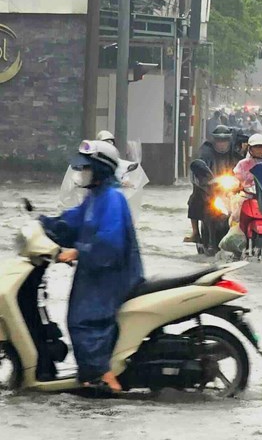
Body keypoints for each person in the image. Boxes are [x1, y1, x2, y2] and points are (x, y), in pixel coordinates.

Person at [40, 140, 144, 392]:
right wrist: (43, 225)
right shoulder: (95, 198)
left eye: (87, 168)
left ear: (100, 170)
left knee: (85, 321)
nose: (82, 172)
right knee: (77, 316)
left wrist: (77, 251)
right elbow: (72, 221)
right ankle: (92, 373)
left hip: (112, 276)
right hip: (95, 274)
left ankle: (106, 377)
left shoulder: (113, 199)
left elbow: (110, 242)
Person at [185, 125, 238, 243]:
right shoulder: (205, 152)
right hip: (209, 188)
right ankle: (195, 232)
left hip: (231, 190)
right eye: (219, 141)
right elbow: (196, 169)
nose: (222, 144)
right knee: (195, 199)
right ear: (214, 141)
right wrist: (204, 181)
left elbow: (243, 168)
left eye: (225, 141)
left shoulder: (235, 153)